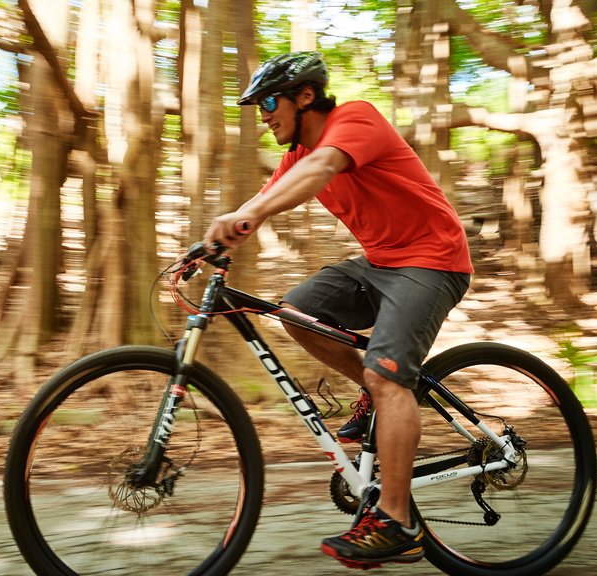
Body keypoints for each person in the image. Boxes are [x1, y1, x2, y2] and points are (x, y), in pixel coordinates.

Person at [202, 51, 473, 567]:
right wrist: (213, 242)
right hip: (381, 263)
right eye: (258, 105)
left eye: (269, 101)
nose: (263, 114)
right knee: (296, 311)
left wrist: (248, 215)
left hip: (433, 262)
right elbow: (262, 202)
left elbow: (323, 167)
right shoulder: (298, 154)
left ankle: (399, 523)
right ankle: (378, 394)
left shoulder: (356, 119)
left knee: (390, 379)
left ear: (305, 96)